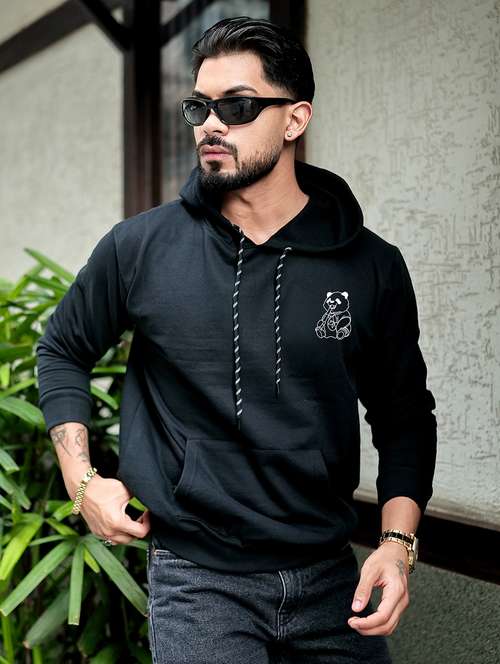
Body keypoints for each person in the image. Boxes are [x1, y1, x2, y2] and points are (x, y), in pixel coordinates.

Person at [36, 15, 437, 664]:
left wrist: (397, 545)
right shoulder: (140, 248)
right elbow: (62, 349)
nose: (210, 124)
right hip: (198, 581)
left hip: (332, 579)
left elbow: (404, 415)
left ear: (295, 119)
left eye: (238, 106)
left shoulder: (369, 266)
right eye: (200, 106)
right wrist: (82, 482)